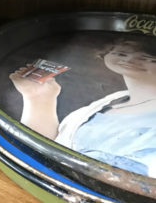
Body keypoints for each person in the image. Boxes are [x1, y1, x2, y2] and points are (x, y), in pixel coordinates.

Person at [10, 40, 156, 177]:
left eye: (149, 59)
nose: (130, 61)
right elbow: (45, 152)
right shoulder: (104, 105)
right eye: (121, 54)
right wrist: (39, 98)